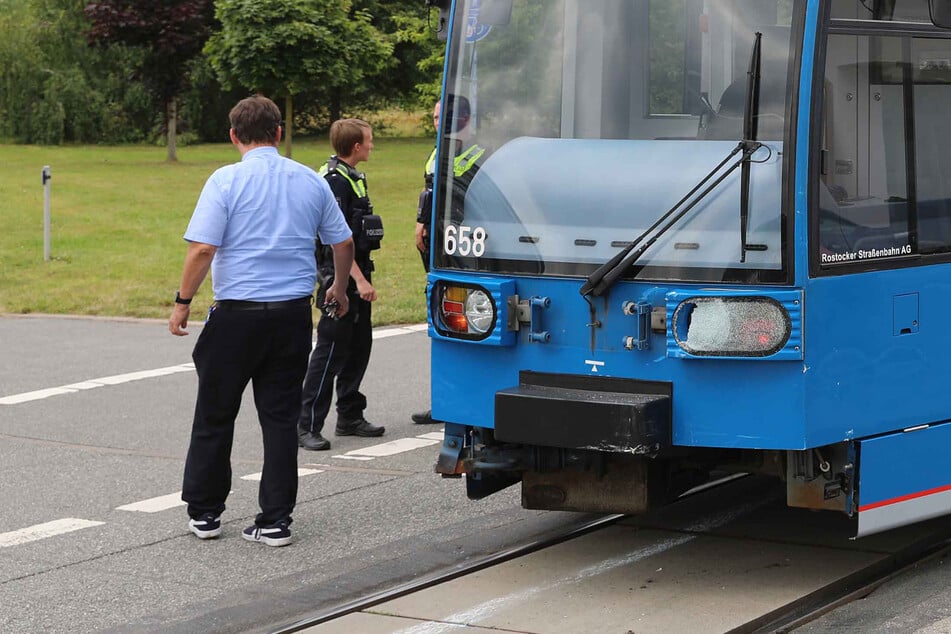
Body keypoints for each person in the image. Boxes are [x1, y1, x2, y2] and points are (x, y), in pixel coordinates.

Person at [169, 96, 355, 547]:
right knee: (279, 417)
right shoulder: (310, 181)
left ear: (234, 136)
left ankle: (206, 512)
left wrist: (182, 301)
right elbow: (342, 241)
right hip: (290, 315)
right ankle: (274, 519)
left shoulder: (225, 180)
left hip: (236, 315)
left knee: (215, 414)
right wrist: (339, 288)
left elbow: (203, 249)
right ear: (278, 133)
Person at [298, 119, 385, 451]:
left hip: (358, 270)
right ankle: (306, 425)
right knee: (330, 350)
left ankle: (349, 415)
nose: (373, 146)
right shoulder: (334, 182)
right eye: (370, 141)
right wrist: (358, 282)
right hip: (340, 277)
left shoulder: (352, 176)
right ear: (356, 147)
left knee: (359, 346)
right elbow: (337, 238)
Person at [411, 95, 484, 426]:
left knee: (467, 325)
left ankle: (469, 401)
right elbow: (429, 194)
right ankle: (444, 399)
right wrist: (421, 224)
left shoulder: (482, 154)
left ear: (465, 120)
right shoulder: (435, 152)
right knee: (440, 324)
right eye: (436, 117)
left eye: (444, 118)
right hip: (439, 248)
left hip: (470, 250)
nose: (437, 122)